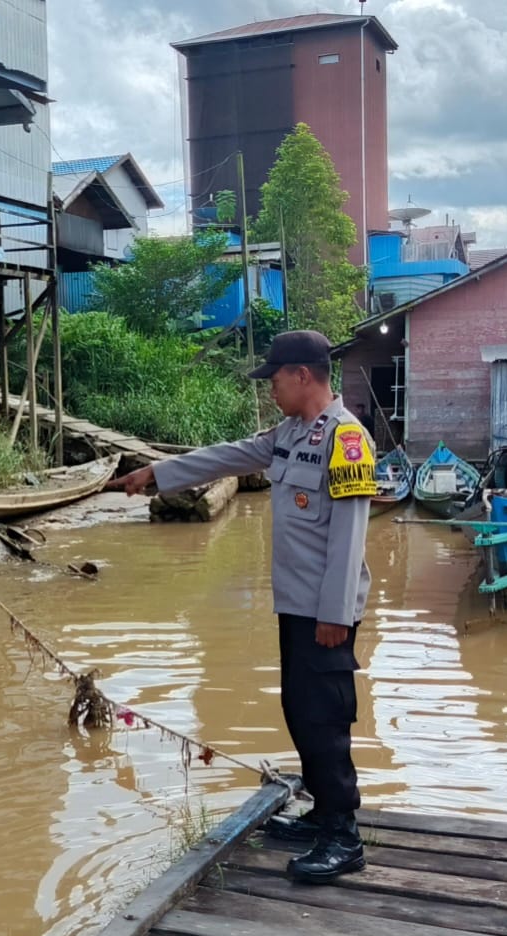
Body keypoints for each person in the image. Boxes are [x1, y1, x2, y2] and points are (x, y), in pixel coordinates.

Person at [108, 330, 375, 883]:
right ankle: (322, 812)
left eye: (275, 379)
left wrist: (335, 614)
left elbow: (349, 537)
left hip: (325, 613)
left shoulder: (346, 440)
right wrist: (156, 475)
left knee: (325, 718)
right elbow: (228, 457)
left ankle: (343, 837)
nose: (270, 389)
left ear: (303, 375)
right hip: (295, 605)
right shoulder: (292, 433)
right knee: (301, 711)